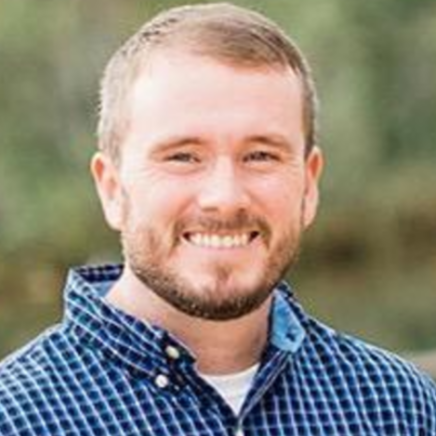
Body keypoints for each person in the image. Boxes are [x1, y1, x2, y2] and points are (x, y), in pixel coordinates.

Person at [1, 3, 435, 435]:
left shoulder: (400, 408)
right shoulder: (16, 419)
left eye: (260, 155)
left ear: (309, 185)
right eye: (183, 157)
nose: (225, 199)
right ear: (112, 188)